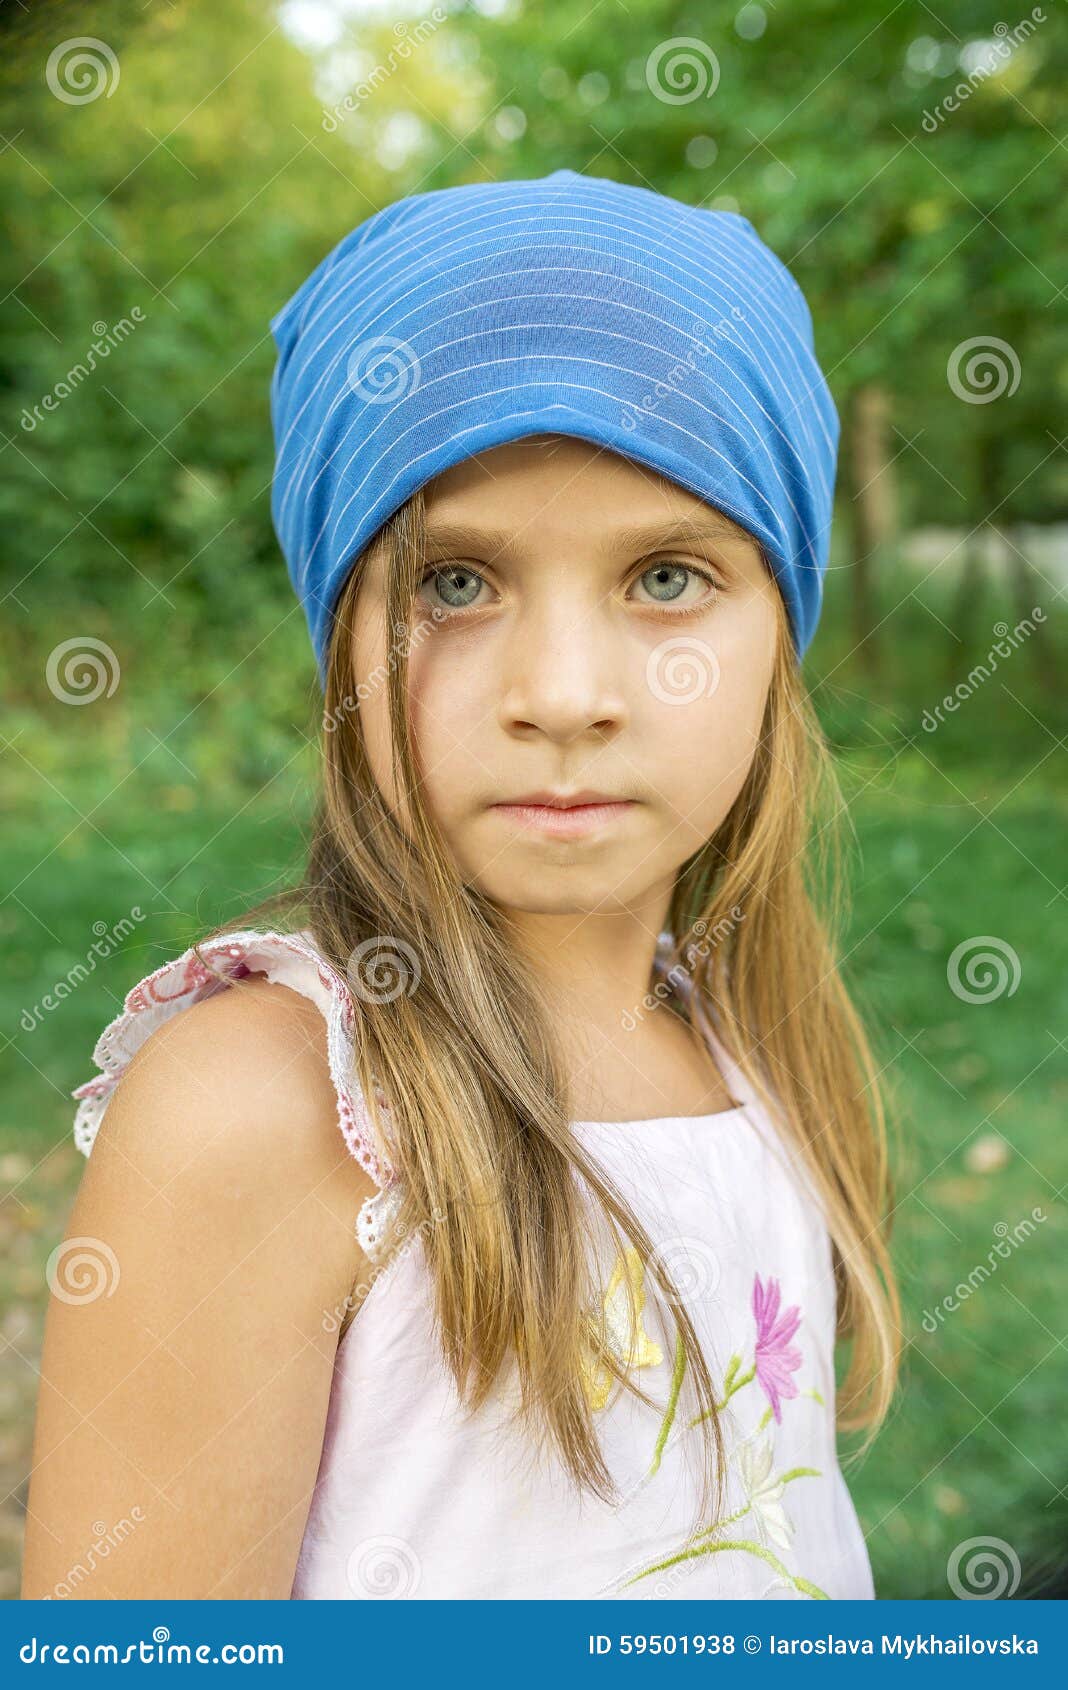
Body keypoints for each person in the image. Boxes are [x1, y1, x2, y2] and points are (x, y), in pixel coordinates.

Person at [22, 169, 900, 1601]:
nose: (565, 694)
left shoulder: (740, 1040)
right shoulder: (270, 1108)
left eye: (668, 577)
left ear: (779, 636)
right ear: (341, 633)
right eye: (455, 583)